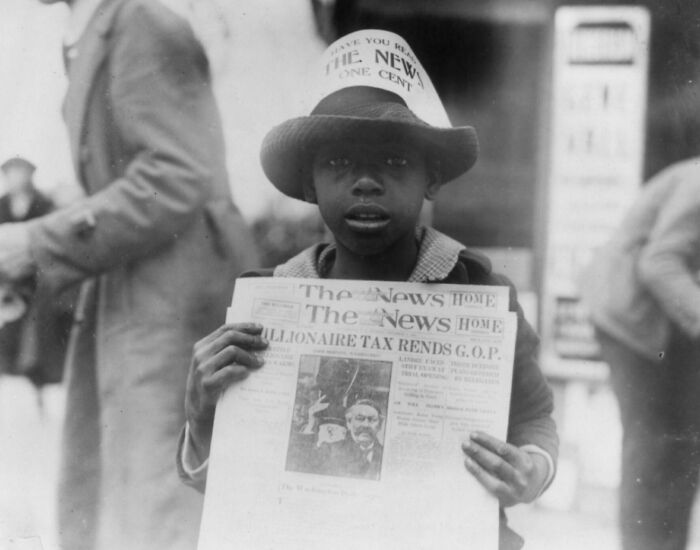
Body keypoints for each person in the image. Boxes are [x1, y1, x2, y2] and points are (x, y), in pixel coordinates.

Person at [177, 30, 557, 549]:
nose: (366, 183)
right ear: (310, 184)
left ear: (432, 179)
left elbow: (534, 416)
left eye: (395, 162)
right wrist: (202, 415)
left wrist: (532, 469)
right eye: (339, 163)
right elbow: (230, 488)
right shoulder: (269, 306)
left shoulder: (479, 289)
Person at [0, 1, 257, 549]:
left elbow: (176, 174)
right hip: (133, 289)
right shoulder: (97, 29)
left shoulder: (141, 22)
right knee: (119, 498)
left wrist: (36, 242)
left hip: (172, 297)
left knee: (155, 502)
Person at [585, 159, 700, 550]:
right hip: (631, 322)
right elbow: (660, 262)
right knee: (650, 446)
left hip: (670, 328)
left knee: (687, 444)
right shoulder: (698, 184)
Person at [0, 156, 71, 394]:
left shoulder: (44, 203)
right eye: (10, 173)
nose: (16, 178)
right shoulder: (1, 205)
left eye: (21, 172)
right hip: (6, 277)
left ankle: (39, 382)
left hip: (38, 278)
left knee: (38, 336)